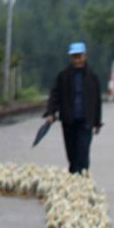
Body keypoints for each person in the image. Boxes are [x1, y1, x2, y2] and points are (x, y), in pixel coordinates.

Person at [43, 42, 103, 174]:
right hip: (69, 120)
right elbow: (55, 95)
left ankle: (82, 179)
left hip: (86, 121)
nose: (77, 59)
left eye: (79, 56)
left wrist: (97, 122)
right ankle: (73, 178)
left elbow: (97, 101)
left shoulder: (92, 77)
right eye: (74, 57)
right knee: (71, 153)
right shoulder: (63, 76)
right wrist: (51, 112)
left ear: (84, 57)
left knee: (83, 152)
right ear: (71, 58)